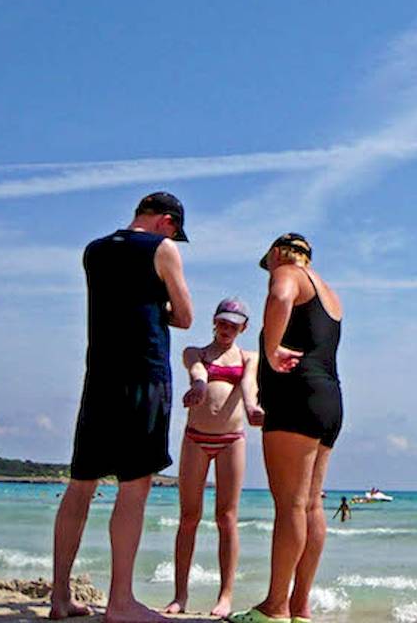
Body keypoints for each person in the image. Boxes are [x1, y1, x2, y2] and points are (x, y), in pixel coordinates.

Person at [51, 192, 193, 622]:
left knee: (81, 485)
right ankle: (121, 602)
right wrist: (157, 307)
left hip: (99, 377)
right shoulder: (162, 249)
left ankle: (59, 597)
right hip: (143, 375)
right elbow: (185, 316)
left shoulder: (93, 250)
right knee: (134, 487)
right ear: (166, 222)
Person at [231, 234, 343, 623]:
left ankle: (275, 606)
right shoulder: (329, 292)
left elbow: (279, 296)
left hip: (297, 400)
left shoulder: (289, 274)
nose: (270, 275)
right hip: (329, 401)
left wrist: (272, 347)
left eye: (269, 265)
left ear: (278, 254)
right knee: (311, 504)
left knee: (291, 505)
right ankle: (300, 606)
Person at [164, 298, 262, 618]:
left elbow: (248, 386)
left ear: (243, 328)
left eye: (234, 325)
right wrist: (199, 386)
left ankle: (225, 596)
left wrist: (251, 409)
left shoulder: (249, 357)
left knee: (227, 518)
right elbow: (197, 372)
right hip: (196, 439)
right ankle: (180, 596)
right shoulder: (196, 352)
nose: (227, 329)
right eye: (223, 323)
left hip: (232, 440)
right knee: (189, 517)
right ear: (214, 322)